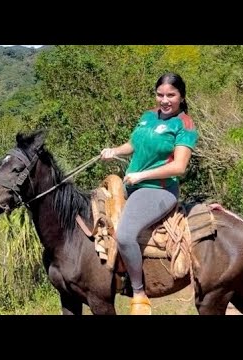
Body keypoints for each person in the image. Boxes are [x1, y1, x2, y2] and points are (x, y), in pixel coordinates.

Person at [100, 73, 198, 315]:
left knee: (124, 235)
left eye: (171, 95)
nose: (165, 100)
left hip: (158, 190)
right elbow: (133, 145)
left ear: (181, 96)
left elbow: (179, 167)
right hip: (130, 184)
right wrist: (113, 151)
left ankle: (139, 294)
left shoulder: (184, 125)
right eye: (160, 95)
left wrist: (142, 176)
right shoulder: (147, 117)